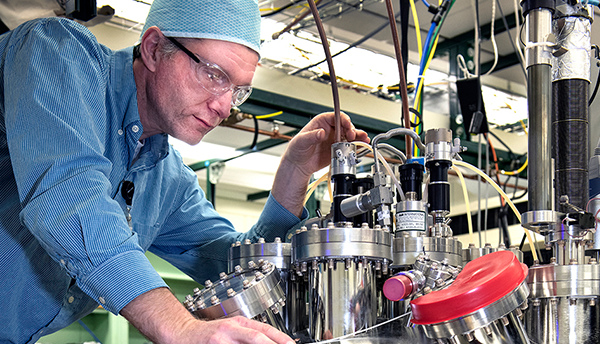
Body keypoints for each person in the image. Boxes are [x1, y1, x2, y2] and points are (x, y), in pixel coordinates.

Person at [0, 0, 369, 343]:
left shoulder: (167, 178)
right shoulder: (56, 51)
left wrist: (294, 172)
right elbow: (69, 199)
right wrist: (180, 327)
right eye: (214, 74)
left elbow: (235, 266)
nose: (225, 107)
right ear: (154, 48)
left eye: (238, 90)